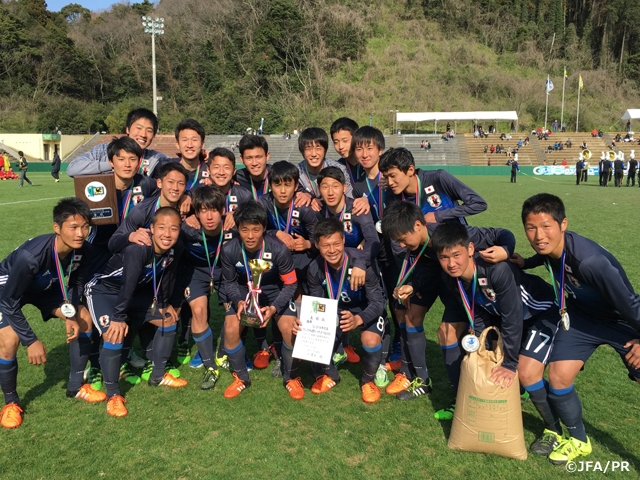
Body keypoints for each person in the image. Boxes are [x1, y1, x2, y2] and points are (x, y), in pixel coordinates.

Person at [510, 193, 640, 465]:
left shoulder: (591, 262)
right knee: (558, 377)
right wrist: (526, 263)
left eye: (546, 226)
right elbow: (545, 256)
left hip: (623, 323)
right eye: (531, 228)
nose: (538, 235)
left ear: (563, 224)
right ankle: (579, 441)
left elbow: (631, 304)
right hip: (581, 319)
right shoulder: (552, 248)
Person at [432, 222, 563, 456]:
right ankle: (517, 393)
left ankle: (554, 431)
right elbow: (480, 310)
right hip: (510, 318)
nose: (451, 263)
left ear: (470, 249)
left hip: (542, 313)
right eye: (444, 258)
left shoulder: (496, 271)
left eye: (456, 255)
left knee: (526, 371)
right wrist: (483, 344)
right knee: (491, 360)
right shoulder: (451, 278)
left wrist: (510, 364)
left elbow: (513, 317)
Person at [381, 202, 516, 414]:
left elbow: (502, 233)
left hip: (469, 285)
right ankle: (428, 383)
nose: (400, 245)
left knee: (467, 334)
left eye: (402, 239)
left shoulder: (451, 234)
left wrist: (506, 250)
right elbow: (427, 265)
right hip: (442, 280)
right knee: (418, 319)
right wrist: (412, 285)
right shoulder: (419, 245)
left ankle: (481, 390)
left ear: (418, 225)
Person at [0, 198, 102, 429]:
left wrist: (71, 314)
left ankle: (76, 386)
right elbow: (8, 301)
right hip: (8, 288)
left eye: (85, 227)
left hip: (44, 286)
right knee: (9, 339)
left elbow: (75, 283)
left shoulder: (83, 250)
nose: (80, 233)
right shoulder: (31, 257)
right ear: (57, 228)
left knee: (84, 318)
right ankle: (11, 403)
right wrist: (31, 340)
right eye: (73, 227)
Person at [85, 207, 186, 418]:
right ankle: (113, 394)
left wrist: (165, 303)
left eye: (174, 229)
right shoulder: (138, 249)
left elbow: (168, 277)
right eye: (161, 228)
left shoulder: (175, 248)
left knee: (168, 320)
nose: (167, 234)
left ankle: (158, 375)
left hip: (133, 294)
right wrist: (119, 317)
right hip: (104, 291)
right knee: (114, 334)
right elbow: (128, 284)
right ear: (151, 228)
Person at [219, 201, 299, 399]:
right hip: (244, 291)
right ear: (238, 228)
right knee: (230, 329)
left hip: (274, 290)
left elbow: (291, 284)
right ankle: (241, 378)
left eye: (256, 229)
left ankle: (291, 377)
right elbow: (228, 282)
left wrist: (273, 308)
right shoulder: (229, 250)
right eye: (244, 230)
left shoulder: (279, 250)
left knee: (291, 329)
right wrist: (238, 301)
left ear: (264, 228)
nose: (250, 235)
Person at [306, 219, 387, 402]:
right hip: (336, 310)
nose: (332, 250)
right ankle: (331, 375)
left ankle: (368, 381)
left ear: (343, 240)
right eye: (326, 245)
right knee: (312, 332)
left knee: (370, 340)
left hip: (365, 309)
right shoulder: (314, 268)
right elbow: (317, 304)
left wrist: (359, 319)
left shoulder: (362, 264)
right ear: (317, 244)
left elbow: (378, 302)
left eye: (336, 243)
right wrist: (307, 324)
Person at [258, 161, 319, 372]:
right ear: (270, 185)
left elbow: (319, 240)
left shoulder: (305, 208)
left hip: (303, 264)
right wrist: (275, 233)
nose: (282, 190)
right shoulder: (263, 204)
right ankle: (281, 355)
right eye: (277, 184)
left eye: (288, 184)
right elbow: (253, 231)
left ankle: (310, 352)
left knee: (303, 307)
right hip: (277, 266)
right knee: (280, 306)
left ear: (296, 186)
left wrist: (308, 244)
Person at [317, 166, 380, 369]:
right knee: (334, 302)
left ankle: (380, 363)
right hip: (333, 267)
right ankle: (340, 347)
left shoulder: (357, 208)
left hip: (361, 268)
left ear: (344, 187)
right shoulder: (317, 209)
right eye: (324, 187)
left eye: (335, 186)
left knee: (373, 303)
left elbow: (373, 240)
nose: (330, 191)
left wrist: (361, 262)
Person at [174, 186, 236, 389]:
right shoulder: (187, 230)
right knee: (198, 311)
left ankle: (222, 354)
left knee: (233, 314)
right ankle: (210, 366)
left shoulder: (233, 229)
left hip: (224, 272)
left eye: (214, 210)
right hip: (197, 273)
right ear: (196, 212)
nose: (209, 216)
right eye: (203, 210)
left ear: (222, 210)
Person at [107, 162, 189, 253]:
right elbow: (113, 243)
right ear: (159, 183)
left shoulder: (189, 207)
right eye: (170, 182)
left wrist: (189, 196)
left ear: (185, 187)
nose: (175, 188)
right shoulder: (142, 211)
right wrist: (130, 236)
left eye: (181, 183)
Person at [67, 108, 169, 178]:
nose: (143, 134)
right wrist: (112, 165)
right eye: (139, 128)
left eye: (149, 130)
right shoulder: (103, 150)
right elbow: (72, 169)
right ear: (128, 129)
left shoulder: (156, 158)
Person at [296, 127, 353, 200]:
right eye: (308, 148)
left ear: (325, 150)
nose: (314, 154)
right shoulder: (296, 172)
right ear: (302, 151)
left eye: (318, 148)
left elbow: (349, 199)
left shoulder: (340, 169)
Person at [330, 117, 361, 184]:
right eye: (336, 142)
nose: (340, 147)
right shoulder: (338, 167)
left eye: (345, 141)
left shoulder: (367, 161)